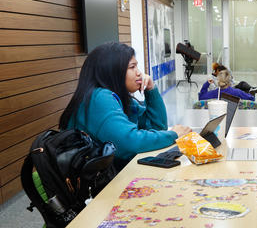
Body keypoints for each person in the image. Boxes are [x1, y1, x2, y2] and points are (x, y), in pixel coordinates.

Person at [59, 42, 191, 170]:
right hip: (98, 186)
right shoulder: (99, 98)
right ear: (113, 70)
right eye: (132, 67)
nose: (139, 73)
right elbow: (129, 144)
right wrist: (174, 134)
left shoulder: (120, 97)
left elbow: (157, 128)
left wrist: (151, 90)